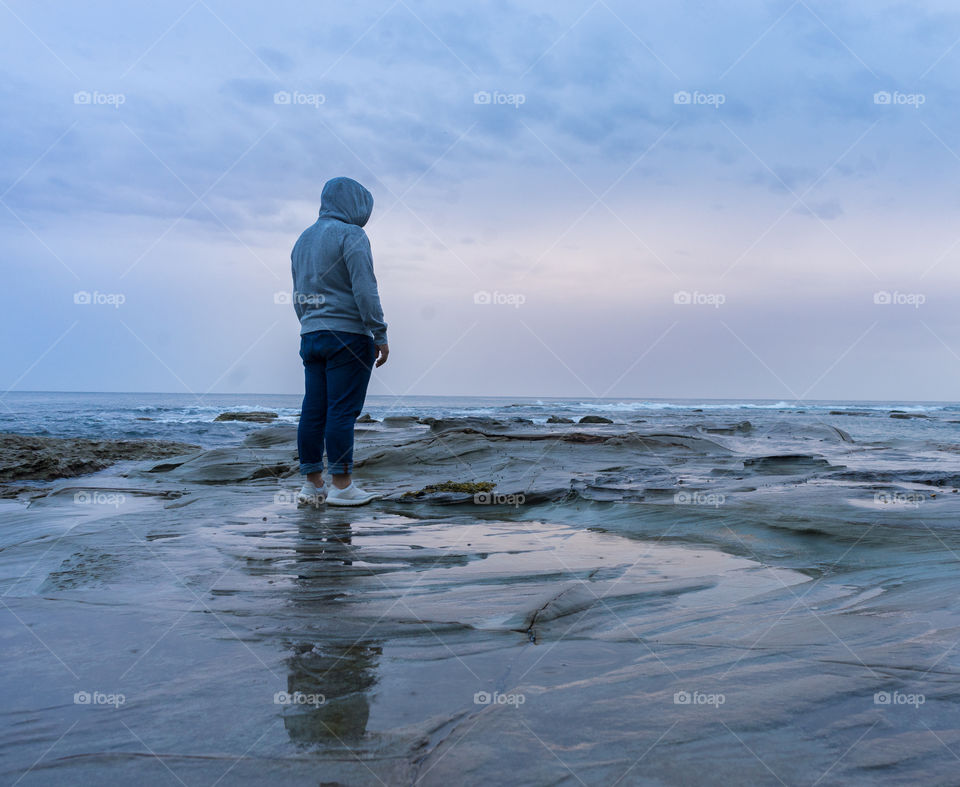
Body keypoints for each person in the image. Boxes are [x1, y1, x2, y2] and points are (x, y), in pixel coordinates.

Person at [291, 176, 389, 506]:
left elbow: (297, 294)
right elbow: (365, 289)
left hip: (311, 335)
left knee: (313, 410)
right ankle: (342, 486)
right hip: (348, 335)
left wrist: (308, 324)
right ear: (354, 205)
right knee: (342, 412)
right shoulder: (352, 234)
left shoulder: (302, 240)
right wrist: (380, 332)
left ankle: (312, 485)